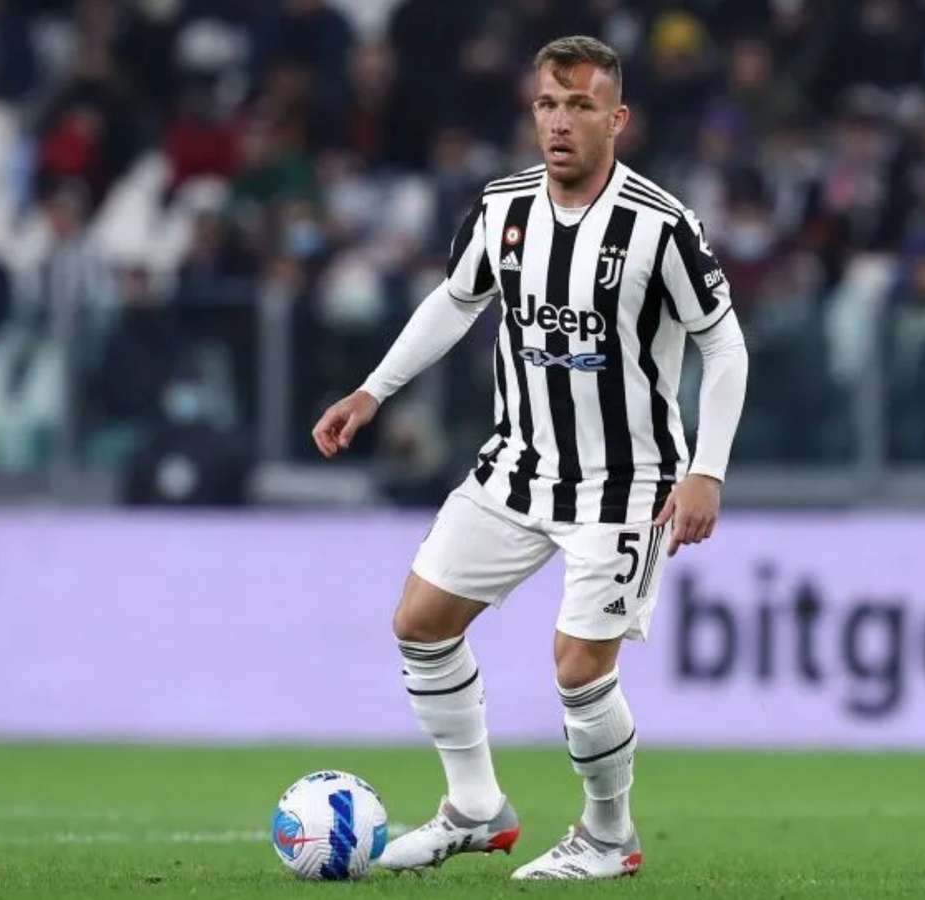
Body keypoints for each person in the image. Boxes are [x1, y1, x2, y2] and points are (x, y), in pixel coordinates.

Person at [311, 36, 748, 881]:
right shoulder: (501, 207)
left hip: (625, 484)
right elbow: (456, 300)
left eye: (581, 106)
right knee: (420, 623)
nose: (560, 122)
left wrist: (707, 469)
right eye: (549, 104)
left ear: (616, 119)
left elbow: (724, 346)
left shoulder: (660, 225)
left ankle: (609, 837)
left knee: (580, 667)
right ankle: (475, 807)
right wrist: (373, 390)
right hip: (517, 467)